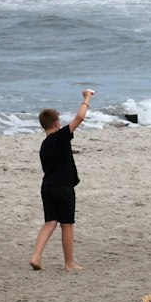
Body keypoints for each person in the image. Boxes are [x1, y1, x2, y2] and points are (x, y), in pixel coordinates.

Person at [31, 88, 94, 271]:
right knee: (67, 224)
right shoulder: (60, 137)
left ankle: (36, 256)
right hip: (62, 187)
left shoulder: (44, 145)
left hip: (47, 187)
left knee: (50, 222)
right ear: (57, 123)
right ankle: (69, 263)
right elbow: (80, 118)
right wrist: (87, 98)